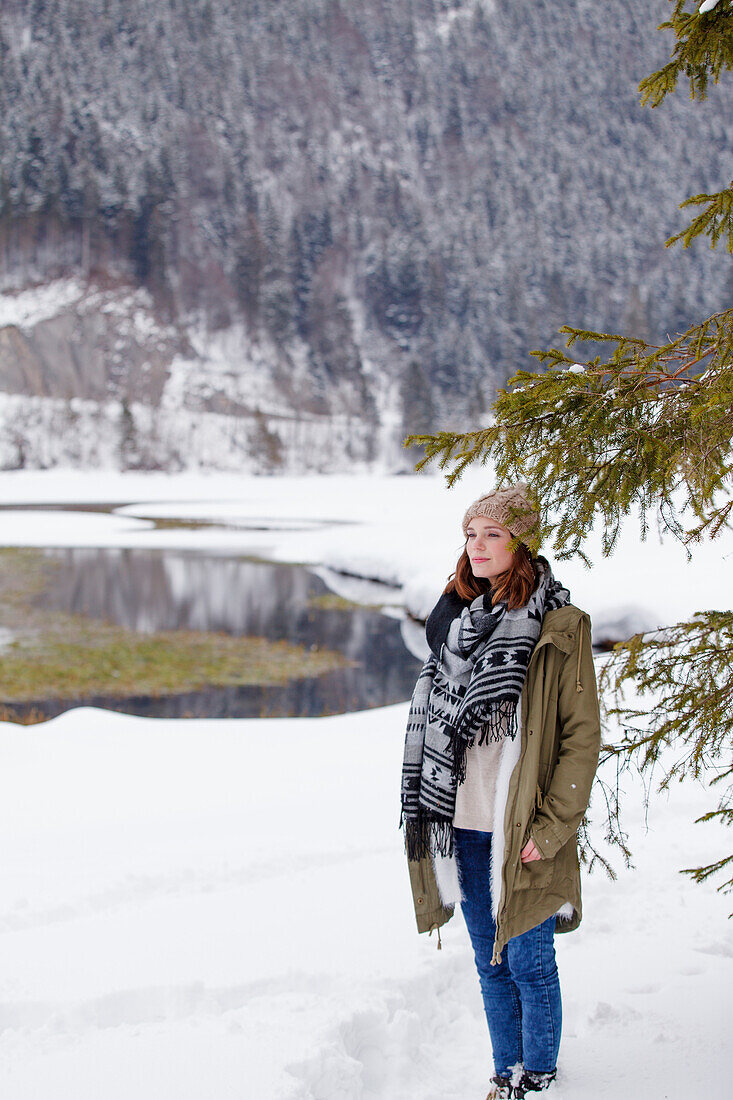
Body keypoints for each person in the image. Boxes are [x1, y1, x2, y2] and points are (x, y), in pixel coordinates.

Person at [401, 483, 601, 1099]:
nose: (478, 546)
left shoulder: (558, 626)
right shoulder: (452, 622)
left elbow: (580, 738)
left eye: (492, 533)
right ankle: (502, 1070)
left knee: (530, 963)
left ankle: (538, 1075)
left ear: (520, 541)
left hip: (522, 829)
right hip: (459, 820)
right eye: (470, 533)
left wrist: (551, 827)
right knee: (490, 961)